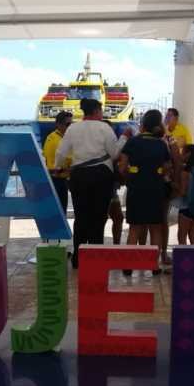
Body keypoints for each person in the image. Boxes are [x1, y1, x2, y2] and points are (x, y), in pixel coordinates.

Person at [55, 98, 130, 268]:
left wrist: (59, 167)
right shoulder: (104, 128)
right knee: (98, 218)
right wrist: (124, 138)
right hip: (101, 176)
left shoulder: (73, 128)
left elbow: (61, 153)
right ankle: (95, 258)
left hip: (79, 176)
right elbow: (114, 153)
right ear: (97, 110)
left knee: (81, 217)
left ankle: (78, 258)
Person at [119, 109, 172, 276]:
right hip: (156, 189)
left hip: (136, 189)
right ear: (158, 125)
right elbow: (167, 167)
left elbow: (122, 167)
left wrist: (131, 177)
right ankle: (153, 266)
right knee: (155, 228)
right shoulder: (161, 144)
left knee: (134, 228)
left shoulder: (133, 142)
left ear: (143, 124)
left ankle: (128, 266)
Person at [43, 111, 72, 213]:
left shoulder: (56, 137)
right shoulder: (55, 139)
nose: (70, 127)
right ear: (59, 124)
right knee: (59, 211)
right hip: (57, 179)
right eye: (68, 124)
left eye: (71, 124)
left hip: (61, 178)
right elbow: (67, 158)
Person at [177, 144, 194, 245]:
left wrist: (173, 185)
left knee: (181, 236)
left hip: (186, 207)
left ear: (188, 154)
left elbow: (183, 192)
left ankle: (184, 259)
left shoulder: (185, 173)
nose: (181, 155)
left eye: (182, 152)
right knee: (192, 234)